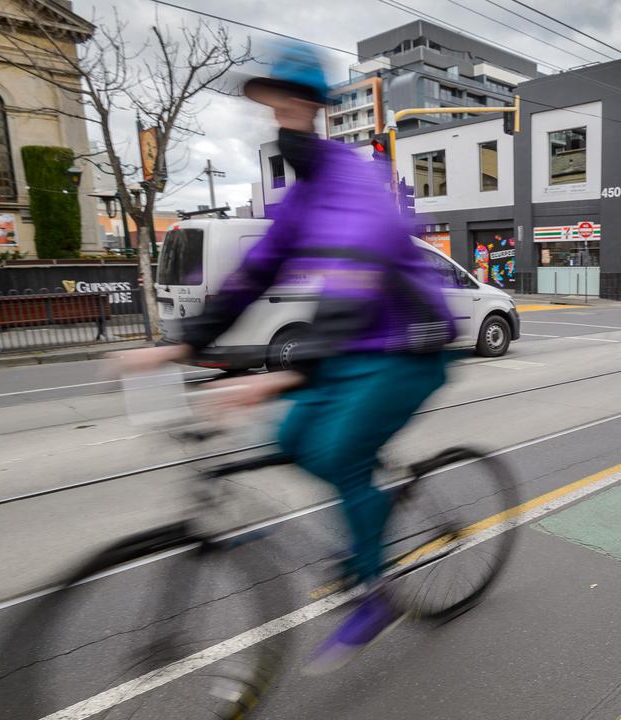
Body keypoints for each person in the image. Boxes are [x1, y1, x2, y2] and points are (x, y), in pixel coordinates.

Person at [112, 43, 455, 674]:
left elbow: (358, 276)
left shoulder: (355, 179)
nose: (280, 116)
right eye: (272, 108)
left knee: (338, 453)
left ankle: (376, 592)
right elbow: (254, 273)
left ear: (315, 109)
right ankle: (367, 521)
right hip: (353, 347)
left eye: (291, 104)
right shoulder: (300, 199)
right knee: (297, 437)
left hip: (407, 341)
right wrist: (181, 346)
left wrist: (287, 375)